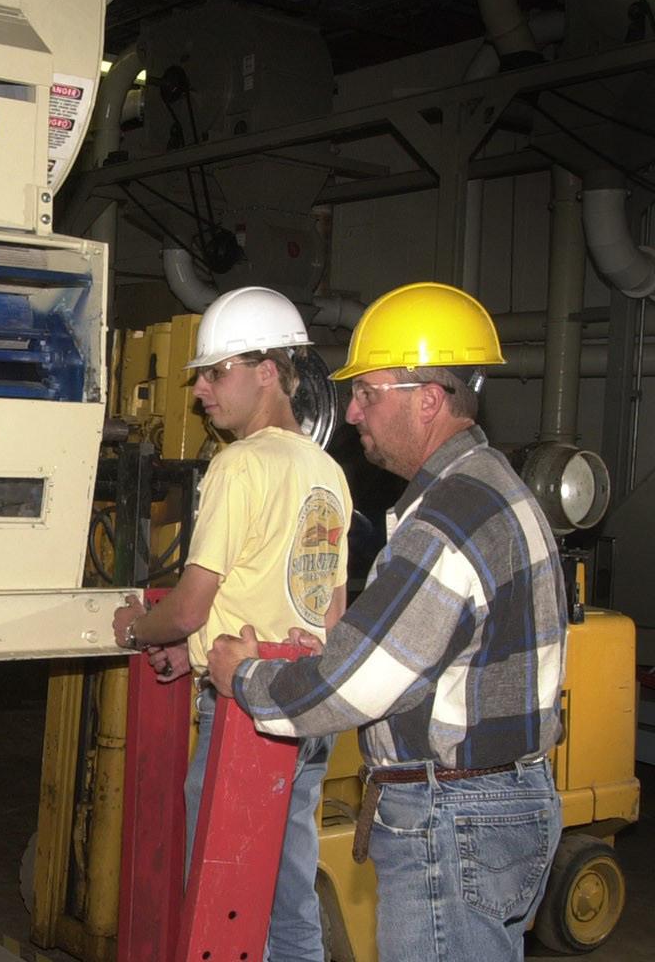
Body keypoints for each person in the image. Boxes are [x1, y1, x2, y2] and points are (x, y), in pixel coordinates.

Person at [207, 281, 565, 962]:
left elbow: (359, 687)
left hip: (452, 818)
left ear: (428, 399)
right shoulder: (496, 487)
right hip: (505, 802)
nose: (352, 412)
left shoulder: (448, 516)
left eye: (369, 393)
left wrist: (246, 677)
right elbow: (431, 653)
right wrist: (340, 648)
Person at [111, 285, 352, 962]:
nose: (200, 392)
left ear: (267, 371)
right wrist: (191, 650)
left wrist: (138, 629)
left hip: (245, 715)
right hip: (308, 704)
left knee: (224, 902)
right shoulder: (328, 471)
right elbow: (325, 610)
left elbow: (191, 603)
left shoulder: (237, 465)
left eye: (217, 373)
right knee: (288, 895)